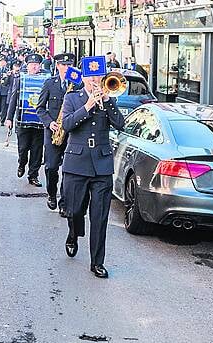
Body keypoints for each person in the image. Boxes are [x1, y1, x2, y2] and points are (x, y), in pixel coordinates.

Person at [61, 56, 125, 279]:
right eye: (91, 76)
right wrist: (88, 106)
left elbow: (120, 124)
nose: (95, 80)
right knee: (74, 210)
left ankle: (97, 262)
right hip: (76, 163)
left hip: (101, 165)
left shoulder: (109, 98)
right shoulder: (72, 98)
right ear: (84, 78)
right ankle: (73, 233)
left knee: (99, 217)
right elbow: (67, 124)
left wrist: (107, 101)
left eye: (99, 76)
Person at [36, 53, 77, 217]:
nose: (67, 68)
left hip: (72, 132)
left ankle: (64, 202)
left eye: (69, 65)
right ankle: (52, 194)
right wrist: (49, 122)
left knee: (68, 170)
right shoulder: (49, 83)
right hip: (53, 131)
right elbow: (40, 108)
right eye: (64, 65)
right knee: (51, 167)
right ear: (58, 66)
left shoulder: (77, 84)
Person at [5, 53, 49, 187]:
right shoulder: (20, 79)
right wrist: (9, 118)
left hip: (40, 122)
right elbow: (13, 99)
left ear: (40, 66)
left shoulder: (46, 80)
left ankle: (33, 175)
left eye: (36, 65)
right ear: (27, 66)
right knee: (23, 148)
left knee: (37, 151)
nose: (34, 67)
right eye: (32, 65)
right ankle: (21, 163)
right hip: (23, 121)